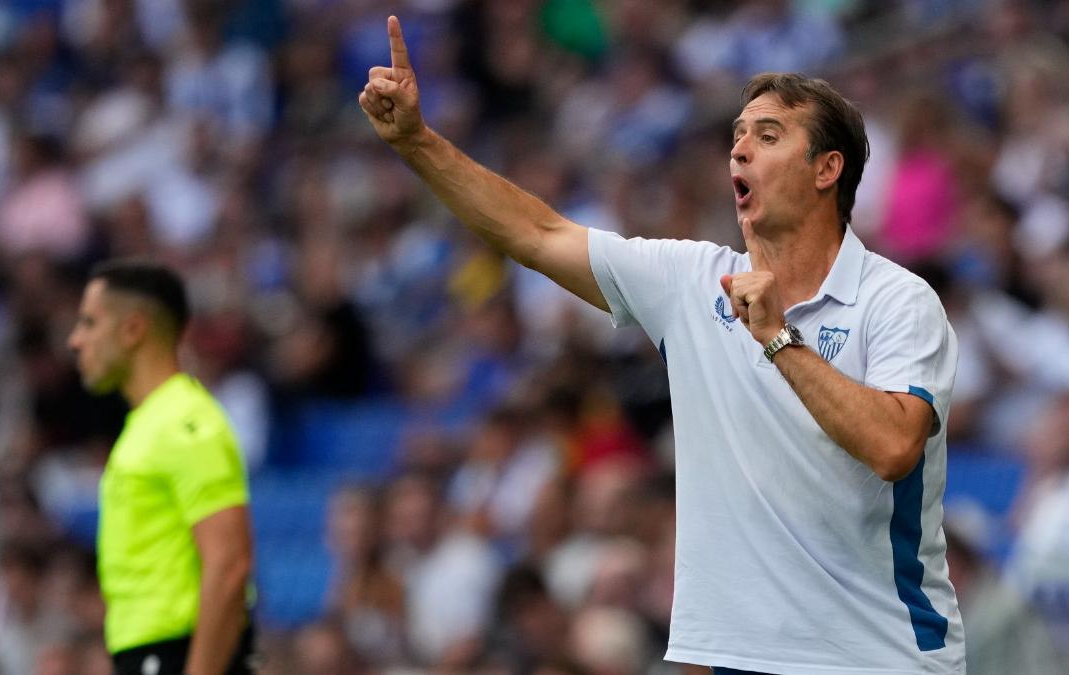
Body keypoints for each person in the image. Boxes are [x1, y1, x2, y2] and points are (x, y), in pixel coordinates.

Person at [359, 16, 965, 674]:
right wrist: (417, 143)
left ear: (827, 169)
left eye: (768, 136)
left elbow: (893, 447)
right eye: (736, 138)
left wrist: (778, 339)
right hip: (739, 657)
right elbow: (536, 233)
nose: (739, 152)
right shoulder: (689, 280)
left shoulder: (897, 300)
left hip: (878, 656)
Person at [67, 261, 255, 675]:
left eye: (89, 323)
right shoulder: (148, 425)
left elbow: (229, 563)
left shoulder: (184, 423)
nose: (75, 340)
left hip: (175, 656)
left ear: (133, 330)